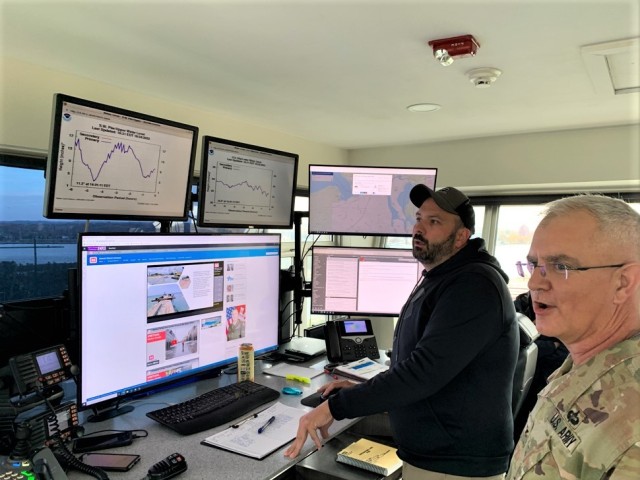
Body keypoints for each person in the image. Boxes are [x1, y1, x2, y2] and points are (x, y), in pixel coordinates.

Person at [285, 185, 519, 479]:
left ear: (461, 237)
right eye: (419, 219)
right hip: (437, 448)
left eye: (434, 222)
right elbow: (415, 363)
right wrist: (360, 391)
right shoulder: (443, 276)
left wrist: (335, 406)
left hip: (454, 462)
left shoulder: (473, 286)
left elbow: (423, 372)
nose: (419, 228)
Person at [506, 194, 640, 480]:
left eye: (561, 266)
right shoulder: (578, 363)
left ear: (623, 282)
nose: (533, 283)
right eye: (533, 264)